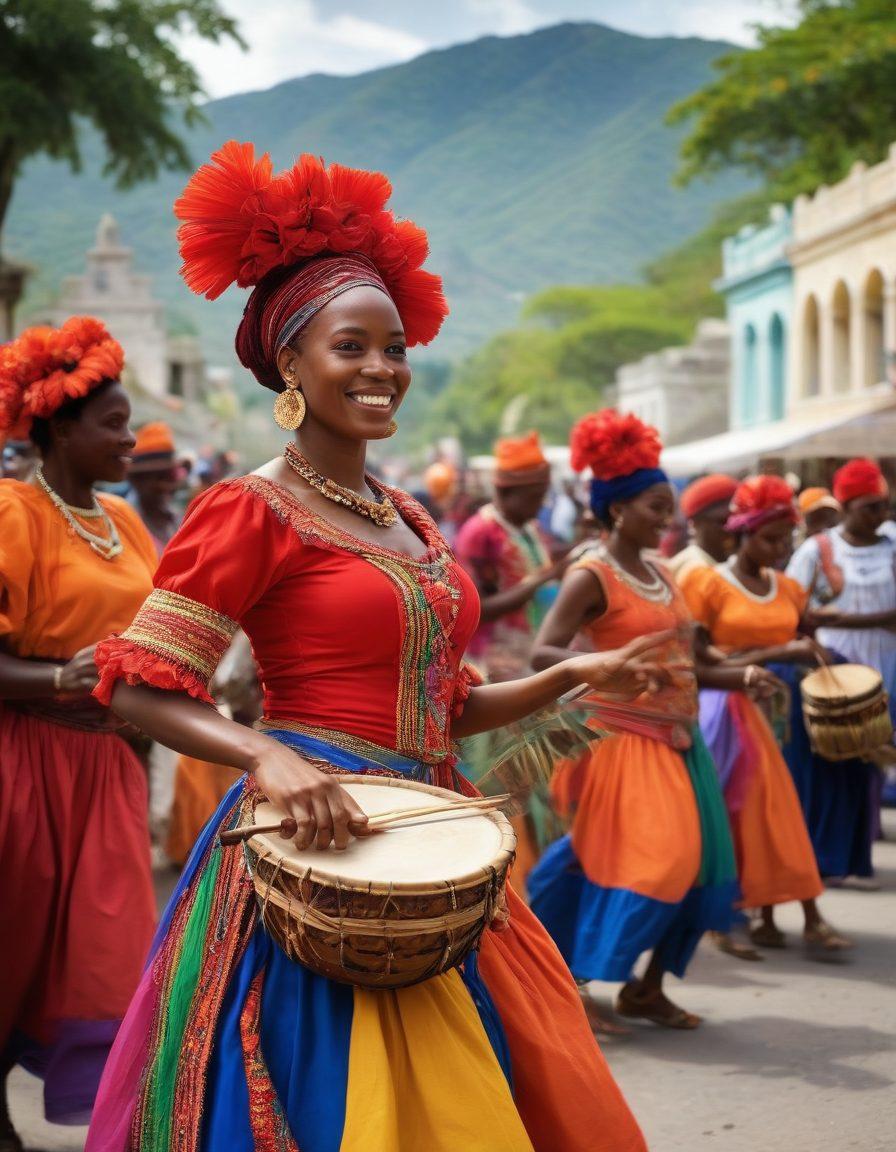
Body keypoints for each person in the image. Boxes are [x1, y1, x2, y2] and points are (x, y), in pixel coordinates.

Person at [84, 143, 651, 1152]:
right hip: (320, 848)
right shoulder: (248, 510)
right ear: (289, 364)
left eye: (394, 348)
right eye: (352, 347)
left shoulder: (408, 521)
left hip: (435, 837)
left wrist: (565, 675)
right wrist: (267, 751)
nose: (383, 368)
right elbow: (136, 687)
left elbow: (445, 709)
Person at [527, 410, 738, 1031]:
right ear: (617, 509)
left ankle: (646, 987)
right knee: (651, 861)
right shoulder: (592, 574)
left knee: (700, 866)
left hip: (681, 738)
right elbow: (545, 651)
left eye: (668, 507)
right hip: (619, 738)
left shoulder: (664, 571)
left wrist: (742, 671)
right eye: (654, 507)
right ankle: (575, 978)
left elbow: (689, 655)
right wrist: (607, 666)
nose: (666, 519)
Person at [0, 318, 158, 1148]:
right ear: (60, 428)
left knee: (105, 951)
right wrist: (64, 675)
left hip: (107, 765)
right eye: (113, 423)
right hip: (23, 761)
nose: (129, 438)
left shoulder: (127, 523)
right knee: (14, 942)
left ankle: (122, 1111)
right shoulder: (12, 513)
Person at [681, 476, 852, 953]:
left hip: (783, 707)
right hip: (728, 709)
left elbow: (803, 639)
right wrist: (780, 650)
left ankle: (774, 914)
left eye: (785, 538)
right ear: (741, 532)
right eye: (770, 537)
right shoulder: (708, 583)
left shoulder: (789, 588)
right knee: (745, 812)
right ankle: (735, 917)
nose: (779, 548)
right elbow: (697, 661)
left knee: (777, 811)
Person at [454, 432, 567, 885]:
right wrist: (544, 579)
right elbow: (475, 606)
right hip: (493, 671)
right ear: (506, 492)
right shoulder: (480, 532)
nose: (540, 506)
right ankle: (504, 879)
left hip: (526, 666)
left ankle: (537, 880)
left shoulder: (529, 529)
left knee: (534, 782)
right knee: (499, 784)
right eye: (534, 496)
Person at [789, 458, 896, 844]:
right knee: (842, 753)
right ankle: (846, 838)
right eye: (870, 507)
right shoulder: (819, 551)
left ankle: (864, 831)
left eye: (883, 505)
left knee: (879, 748)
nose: (880, 515)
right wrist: (879, 618)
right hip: (837, 667)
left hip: (888, 662)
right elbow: (799, 611)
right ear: (847, 507)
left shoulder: (893, 542)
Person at [127, 421, 189, 556]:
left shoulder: (177, 519)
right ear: (136, 480)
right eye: (159, 477)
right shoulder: (123, 524)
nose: (167, 485)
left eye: (170, 476)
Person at [667, 473, 738, 583]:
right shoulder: (694, 569)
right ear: (694, 523)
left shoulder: (726, 564)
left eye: (737, 522)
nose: (731, 529)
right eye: (723, 522)